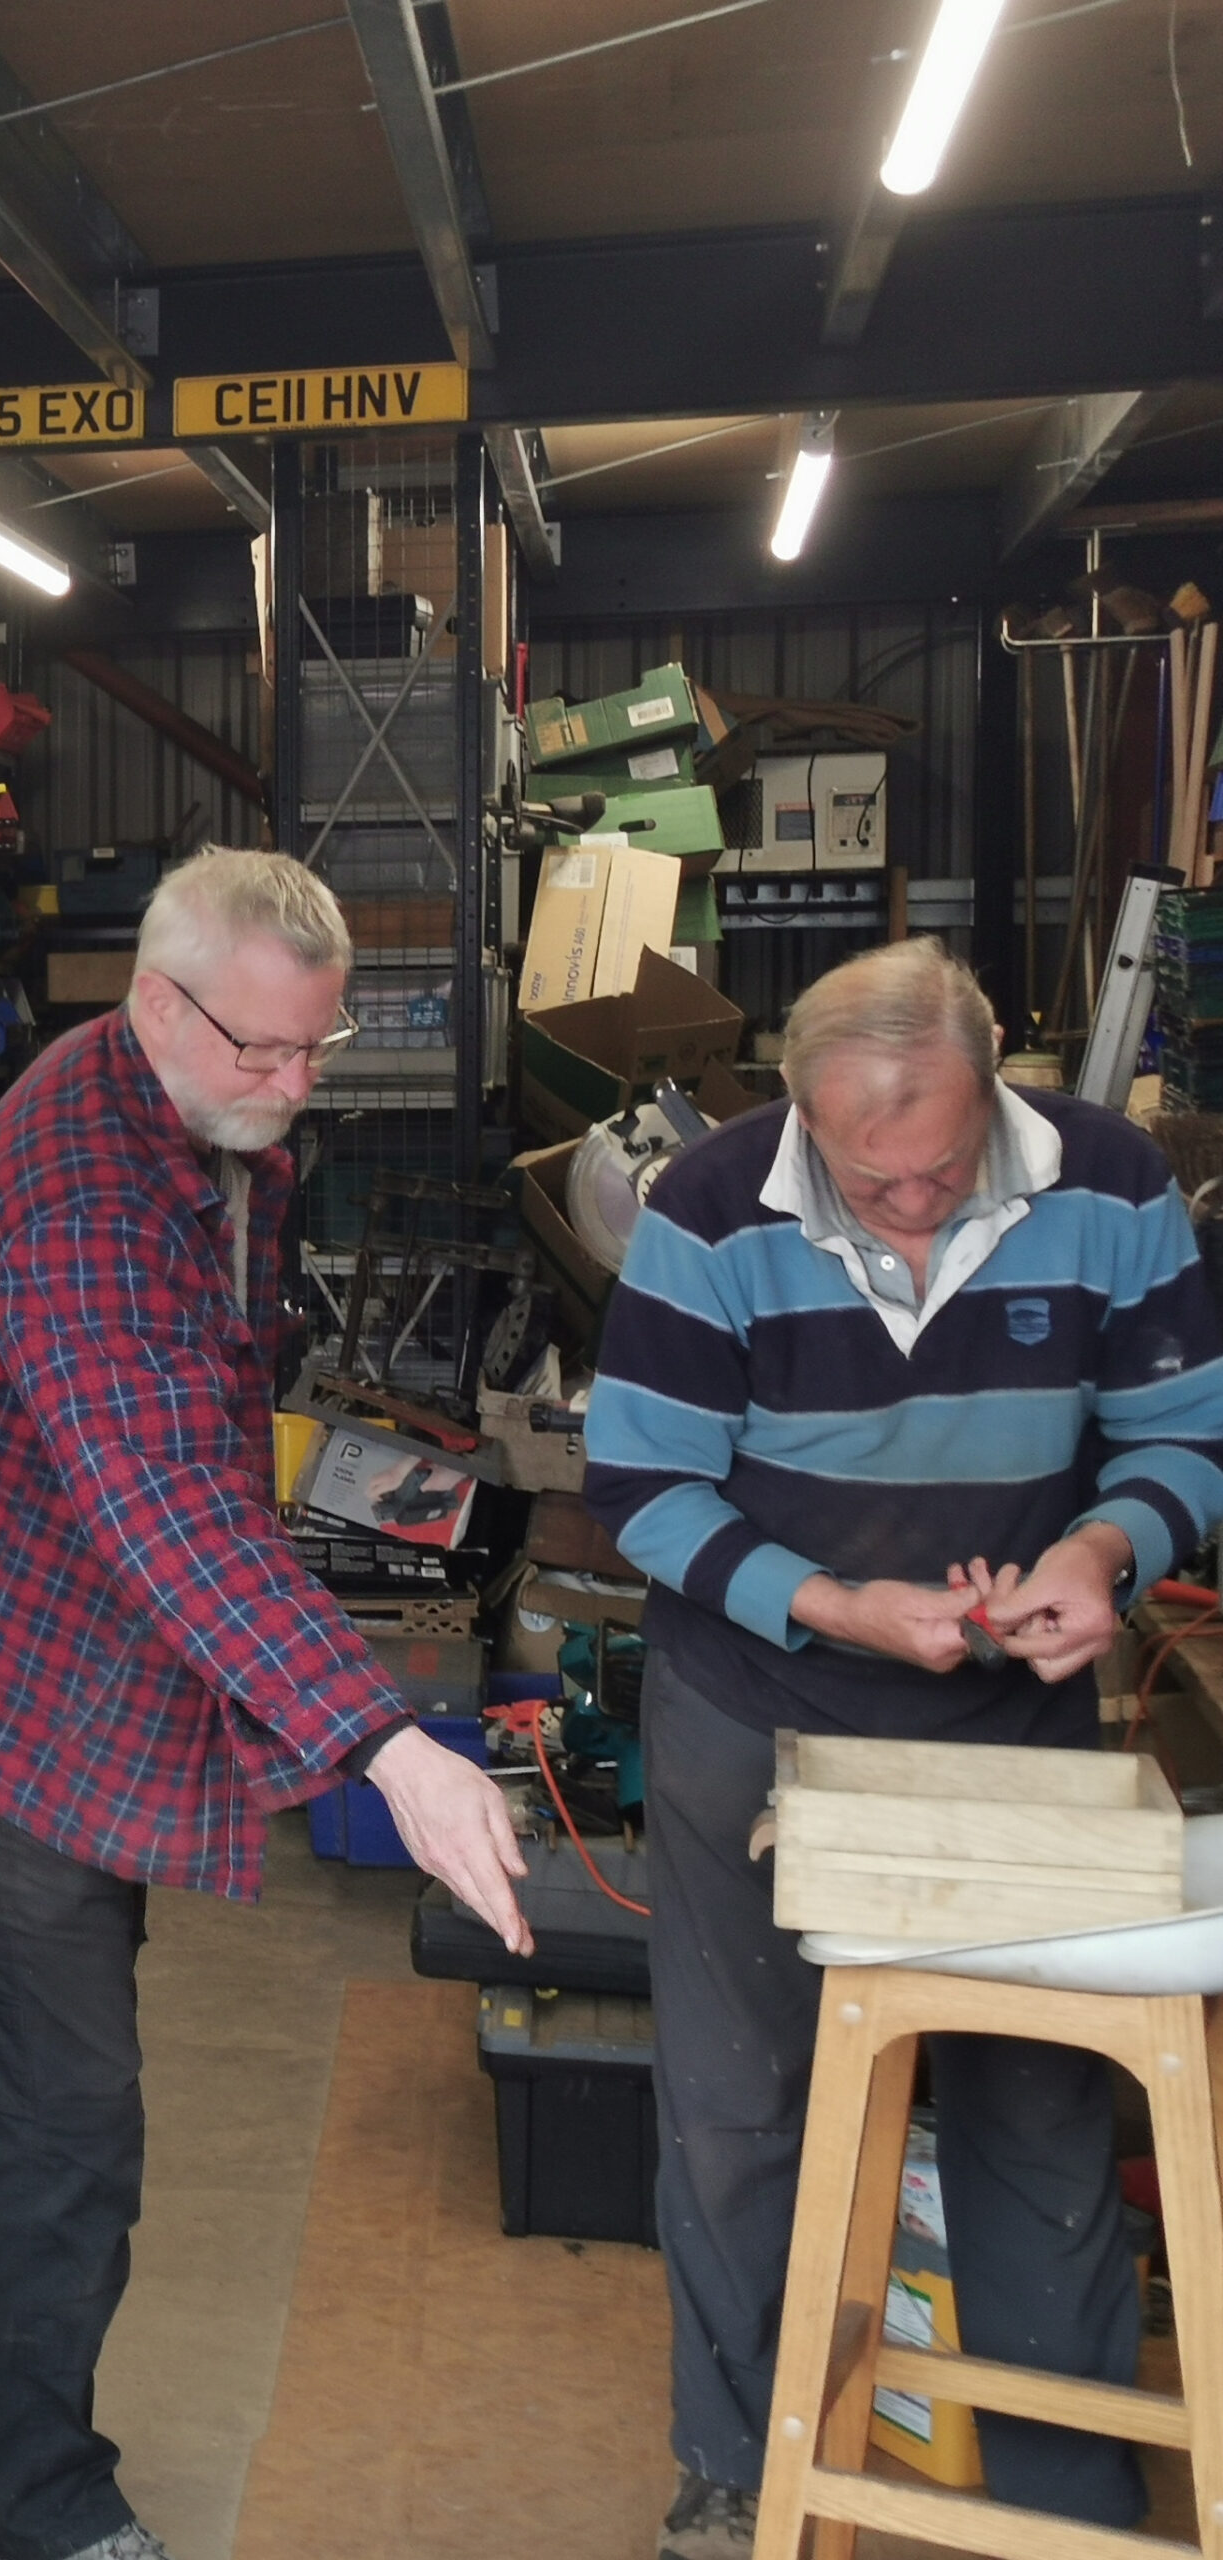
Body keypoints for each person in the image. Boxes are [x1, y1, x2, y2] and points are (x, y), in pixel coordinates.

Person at [0, 847, 529, 2560]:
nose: (295, 1094)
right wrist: (387, 1744)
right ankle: (49, 2504)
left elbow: (196, 1413)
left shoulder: (191, 1102)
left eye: (318, 1053)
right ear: (155, 1001)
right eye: (263, 1056)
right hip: (4, 1676)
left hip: (84, 1654)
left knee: (18, 2047)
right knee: (67, 2115)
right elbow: (165, 1505)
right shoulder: (80, 1198)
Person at [583, 937, 1223, 2560]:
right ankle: (735, 2472)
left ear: (994, 1081)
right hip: (755, 1702)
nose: (914, 1207)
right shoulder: (711, 1211)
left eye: (941, 1167)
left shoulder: (1114, 1183)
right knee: (740, 2112)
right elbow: (642, 1489)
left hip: (1011, 1711)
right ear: (802, 1112)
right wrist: (833, 1604)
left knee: (1038, 2101)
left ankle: (1061, 2483)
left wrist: (1104, 1556)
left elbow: (1184, 1430)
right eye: (871, 1183)